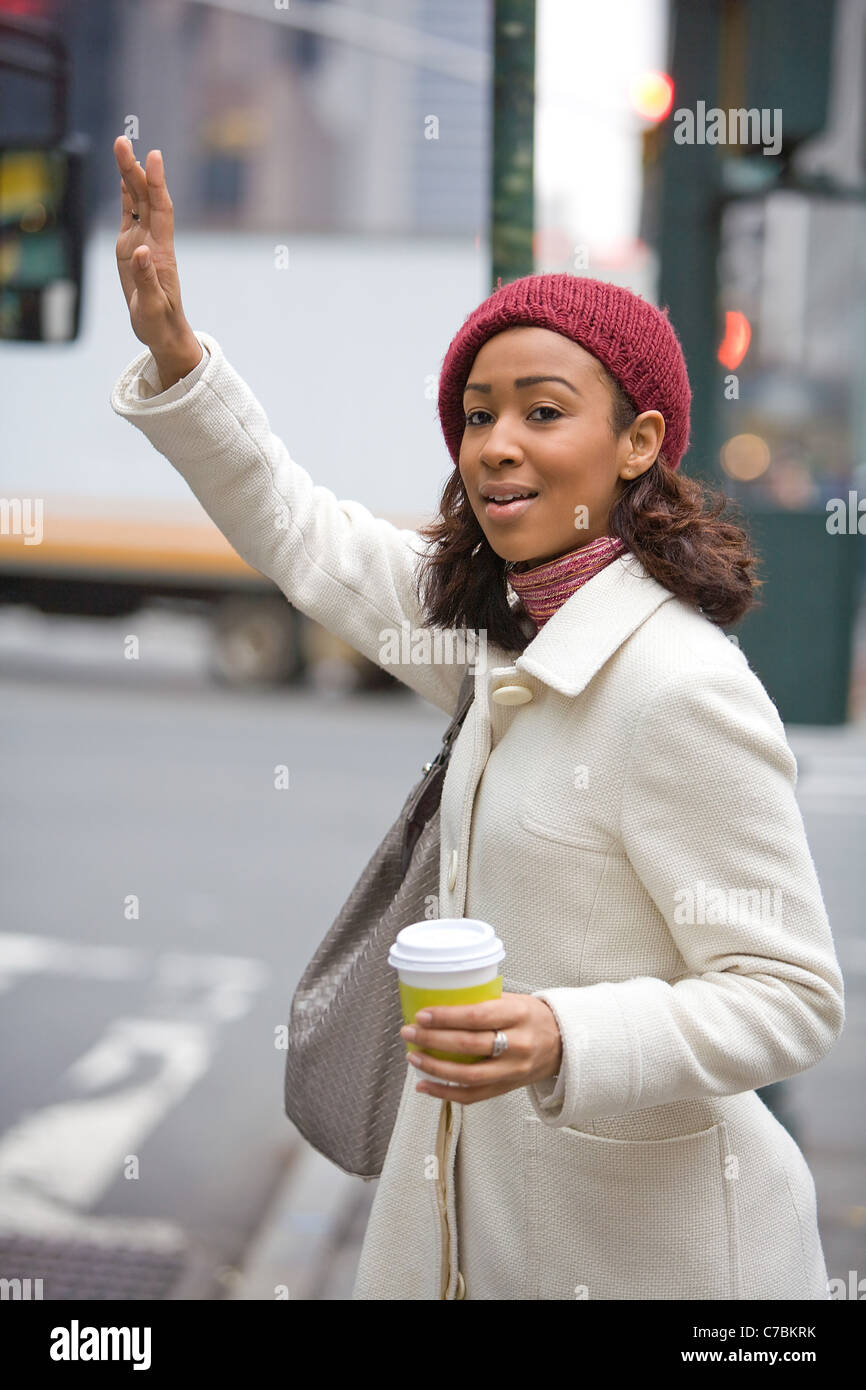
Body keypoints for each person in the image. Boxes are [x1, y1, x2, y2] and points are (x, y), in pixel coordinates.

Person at [110, 138, 845, 1301]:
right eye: (476, 413)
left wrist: (562, 1033)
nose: (495, 443)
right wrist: (181, 358)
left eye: (542, 411)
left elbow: (788, 993)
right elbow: (301, 530)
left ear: (637, 442)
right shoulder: (496, 631)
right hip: (466, 1240)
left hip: (667, 1267)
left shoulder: (678, 688)